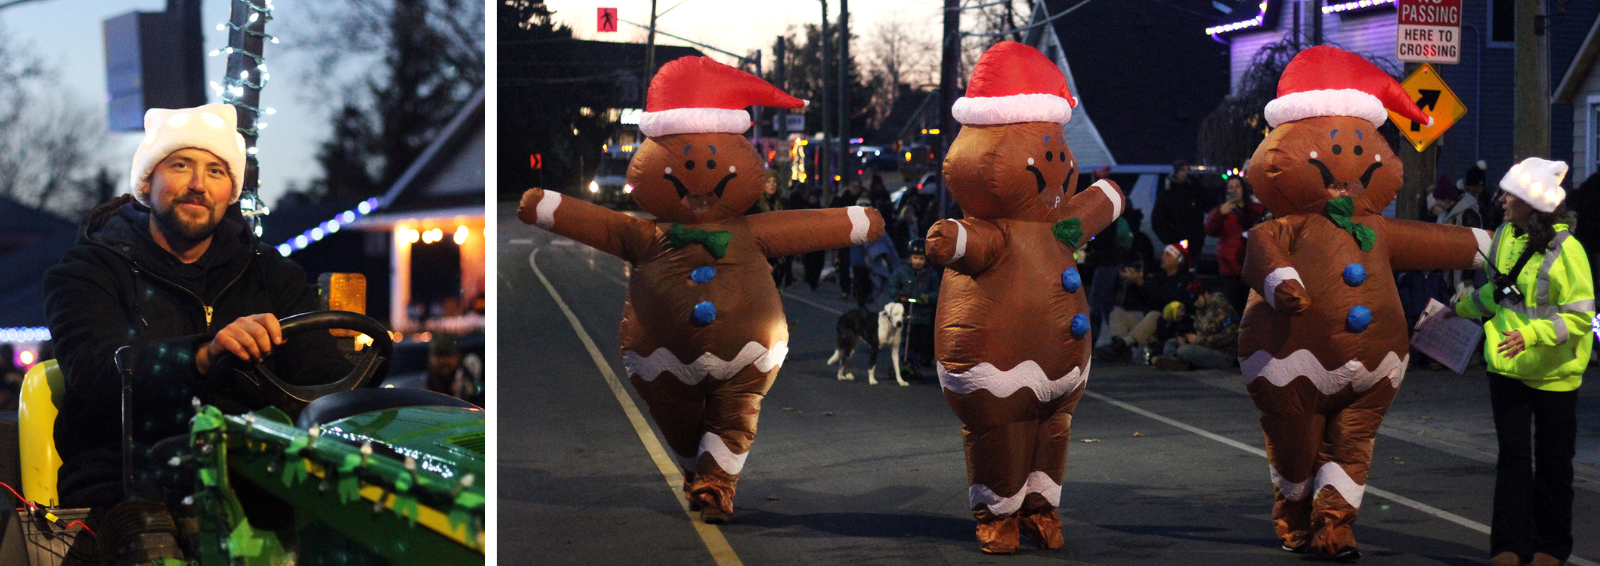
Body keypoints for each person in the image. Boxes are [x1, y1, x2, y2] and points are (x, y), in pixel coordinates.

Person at [43, 104, 351, 522]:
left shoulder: (271, 274)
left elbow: (324, 381)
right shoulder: (88, 271)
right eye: (181, 165)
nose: (198, 185)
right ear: (148, 181)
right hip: (125, 480)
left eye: (216, 172)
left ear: (232, 191)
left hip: (252, 471)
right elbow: (98, 372)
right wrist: (203, 354)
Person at [1453, 158, 1592, 566]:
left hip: (1555, 373)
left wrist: (1531, 334)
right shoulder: (1501, 237)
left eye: (1510, 193)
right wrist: (1458, 311)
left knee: (1553, 463)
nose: (1501, 198)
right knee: (1512, 460)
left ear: (1532, 201)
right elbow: (1499, 296)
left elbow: (1581, 317)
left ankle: (1551, 547)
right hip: (1508, 369)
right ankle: (1509, 547)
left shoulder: (1569, 250)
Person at [1094, 244, 1193, 362]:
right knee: (1116, 313)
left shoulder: (1184, 281)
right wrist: (1130, 282)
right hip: (1150, 328)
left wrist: (1141, 282)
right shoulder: (1158, 277)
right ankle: (1120, 349)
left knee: (1154, 315)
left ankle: (1121, 346)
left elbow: (1164, 299)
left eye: (1167, 255)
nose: (1163, 257)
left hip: (1167, 329)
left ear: (1178, 261)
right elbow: (1134, 303)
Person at [1206, 175, 1265, 311]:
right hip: (1231, 270)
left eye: (1237, 186)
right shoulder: (1221, 211)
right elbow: (1210, 230)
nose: (1234, 190)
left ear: (1243, 189)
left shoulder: (1255, 209)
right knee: (1233, 309)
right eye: (1230, 187)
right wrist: (1220, 213)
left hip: (1253, 268)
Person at [883, 239, 940, 372]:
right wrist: (898, 295)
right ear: (909, 258)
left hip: (922, 315)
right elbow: (892, 286)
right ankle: (904, 359)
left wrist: (928, 297)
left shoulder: (931, 275)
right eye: (915, 258)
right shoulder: (902, 272)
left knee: (919, 341)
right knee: (904, 338)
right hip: (906, 313)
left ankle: (917, 360)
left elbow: (938, 291)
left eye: (921, 258)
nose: (918, 261)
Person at [1151, 289, 1239, 371]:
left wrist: (1199, 340)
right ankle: (1175, 360)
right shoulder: (1201, 310)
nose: (1195, 303)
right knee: (1172, 343)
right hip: (1204, 346)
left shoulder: (1222, 308)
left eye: (1196, 298)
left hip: (1223, 352)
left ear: (1206, 294)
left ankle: (1182, 363)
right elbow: (1199, 331)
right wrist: (1187, 339)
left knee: (1184, 350)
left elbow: (1231, 335)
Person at [1152, 160, 1216, 253]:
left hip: (1195, 243)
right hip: (1176, 244)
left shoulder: (1194, 192)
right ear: (1176, 173)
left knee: (1192, 266)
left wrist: (1199, 188)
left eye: (1187, 170)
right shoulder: (1167, 195)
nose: (1186, 173)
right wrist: (1169, 238)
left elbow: (1210, 206)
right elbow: (1157, 220)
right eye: (1182, 170)